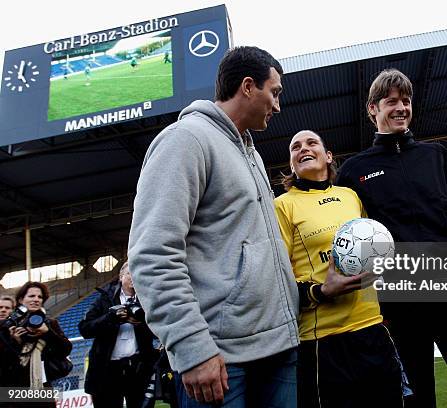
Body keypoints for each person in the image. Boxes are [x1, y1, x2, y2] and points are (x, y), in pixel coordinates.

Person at [128, 46, 299, 408]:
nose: (278, 105)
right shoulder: (185, 139)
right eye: (275, 92)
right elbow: (153, 253)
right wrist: (192, 347)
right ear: (248, 86)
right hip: (220, 359)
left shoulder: (251, 151)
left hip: (279, 347)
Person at [335, 68, 447, 407]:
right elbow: (351, 241)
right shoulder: (354, 170)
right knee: (416, 402)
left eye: (406, 101)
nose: (401, 108)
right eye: (391, 102)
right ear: (373, 109)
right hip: (400, 303)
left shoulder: (436, 156)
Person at [274, 130, 406, 407]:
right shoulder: (282, 206)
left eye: (311, 143)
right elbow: (276, 281)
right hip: (323, 341)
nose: (303, 149)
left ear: (328, 156)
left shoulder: (350, 197)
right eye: (295, 147)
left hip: (373, 330)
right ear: (291, 163)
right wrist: (321, 291)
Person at [79, 261, 155, 408]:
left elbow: (159, 330)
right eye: (129, 273)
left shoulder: (147, 299)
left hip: (139, 369)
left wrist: (144, 321)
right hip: (108, 370)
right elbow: (85, 329)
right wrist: (111, 318)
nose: (133, 277)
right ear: (121, 277)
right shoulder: (104, 299)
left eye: (137, 273)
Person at [1, 282, 72, 408]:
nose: (36, 299)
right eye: (31, 296)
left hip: (42, 388)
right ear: (21, 300)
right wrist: (14, 342)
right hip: (12, 388)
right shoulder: (7, 326)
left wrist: (48, 333)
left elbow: (65, 349)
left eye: (40, 297)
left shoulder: (50, 323)